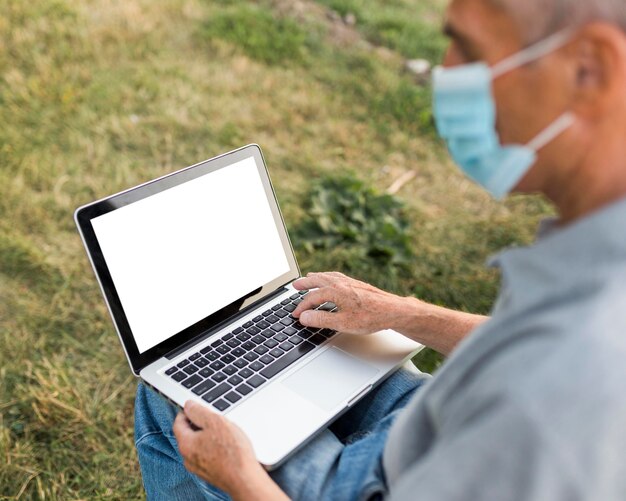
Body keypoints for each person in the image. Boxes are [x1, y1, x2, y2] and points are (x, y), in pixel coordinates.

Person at [134, 0, 626, 499]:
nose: (446, 72)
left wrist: (240, 475)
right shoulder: (598, 266)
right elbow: (520, 346)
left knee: (170, 399)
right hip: (440, 424)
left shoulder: (580, 364)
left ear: (591, 69)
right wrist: (400, 312)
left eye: (472, 50)